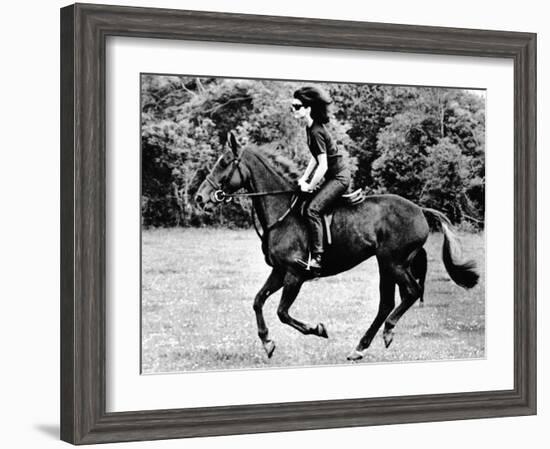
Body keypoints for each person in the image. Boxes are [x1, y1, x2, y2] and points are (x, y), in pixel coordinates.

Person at [292, 86, 351, 276]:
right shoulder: (310, 128)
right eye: (292, 106)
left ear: (308, 108)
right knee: (306, 203)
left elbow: (323, 166)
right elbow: (314, 158)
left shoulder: (316, 131)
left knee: (312, 209)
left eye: (298, 106)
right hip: (333, 176)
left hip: (339, 178)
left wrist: (309, 185)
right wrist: (304, 177)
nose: (294, 110)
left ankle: (317, 258)